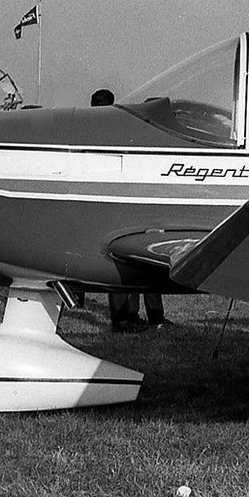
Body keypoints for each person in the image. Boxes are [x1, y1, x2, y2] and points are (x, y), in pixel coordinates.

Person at [90, 87, 169, 331]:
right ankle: (126, 318)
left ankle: (135, 317)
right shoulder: (120, 133)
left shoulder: (120, 131)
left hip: (135, 203)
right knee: (125, 261)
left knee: (140, 261)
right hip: (123, 203)